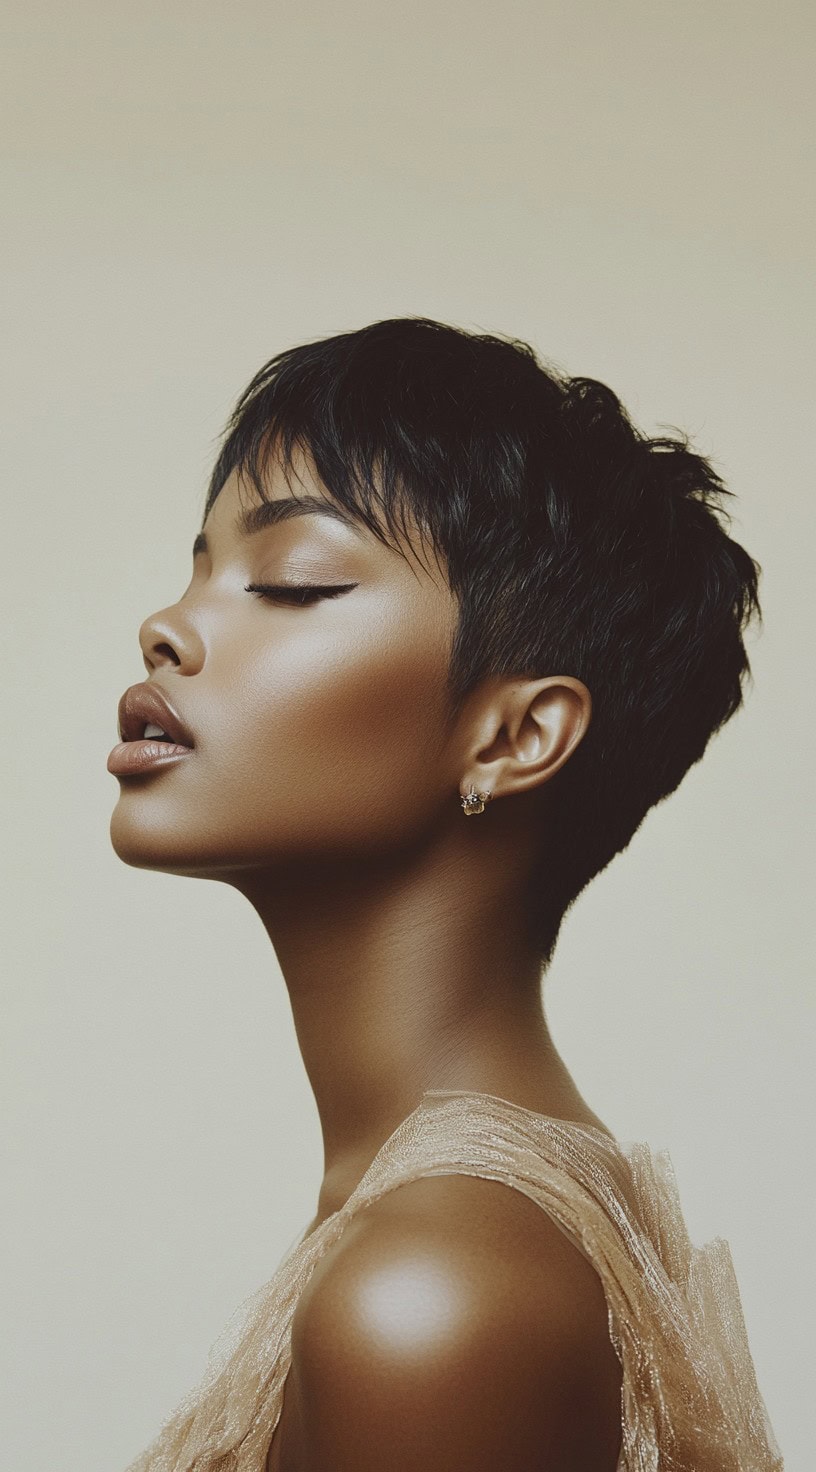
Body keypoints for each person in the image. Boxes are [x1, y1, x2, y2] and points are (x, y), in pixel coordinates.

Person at [108, 317, 783, 1471]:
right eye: (198, 568)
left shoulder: (434, 1289)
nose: (167, 628)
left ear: (517, 736)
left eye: (291, 580)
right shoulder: (466, 1227)